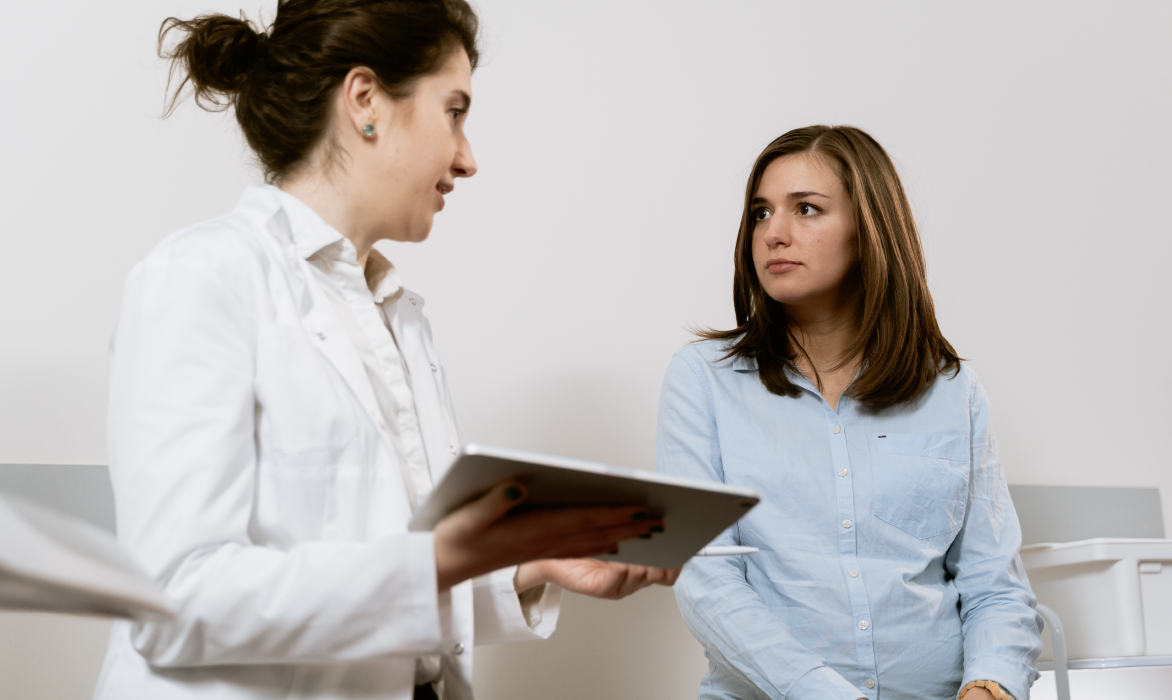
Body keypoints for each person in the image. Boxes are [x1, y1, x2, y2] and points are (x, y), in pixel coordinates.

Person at [94, 2, 678, 699]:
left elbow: (389, 588)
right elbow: (176, 599)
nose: (467, 157)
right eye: (454, 111)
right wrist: (438, 557)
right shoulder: (200, 278)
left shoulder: (394, 313)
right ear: (366, 100)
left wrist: (529, 563)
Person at [654, 125, 1042, 700]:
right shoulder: (703, 381)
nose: (774, 234)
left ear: (869, 231)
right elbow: (704, 578)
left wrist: (990, 686)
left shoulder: (952, 392)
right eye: (761, 213)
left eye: (806, 209)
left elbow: (993, 585)